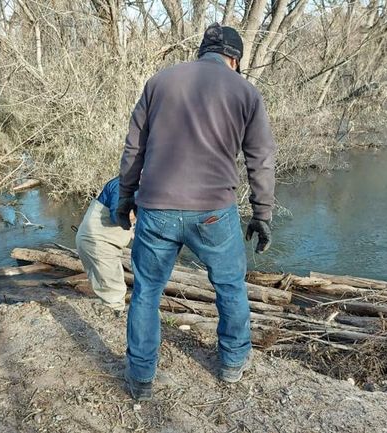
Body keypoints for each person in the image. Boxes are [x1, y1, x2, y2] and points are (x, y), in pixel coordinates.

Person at [116, 23, 277, 401]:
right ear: (235, 59)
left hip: (156, 207)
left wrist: (125, 198)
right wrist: (262, 213)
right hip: (213, 211)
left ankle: (141, 377)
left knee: (146, 291)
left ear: (202, 51)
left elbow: (134, 148)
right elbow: (261, 158)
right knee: (230, 286)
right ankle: (232, 363)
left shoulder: (160, 82)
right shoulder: (245, 92)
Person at [75, 177, 134, 313]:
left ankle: (112, 315)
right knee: (113, 291)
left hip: (103, 242)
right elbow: (118, 216)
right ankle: (113, 319)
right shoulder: (123, 185)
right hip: (97, 243)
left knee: (111, 286)